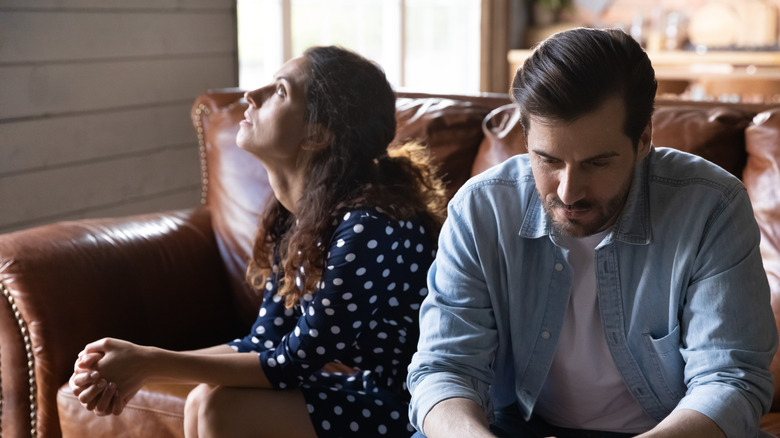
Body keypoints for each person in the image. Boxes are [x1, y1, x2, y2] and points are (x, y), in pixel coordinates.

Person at [408, 27, 777, 438]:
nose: (568, 191)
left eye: (597, 163)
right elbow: (444, 368)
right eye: (547, 160)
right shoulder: (480, 209)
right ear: (526, 138)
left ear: (643, 141)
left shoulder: (711, 205)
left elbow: (730, 381)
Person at [69, 45, 447, 437]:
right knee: (206, 398)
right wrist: (136, 369)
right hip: (376, 391)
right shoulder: (301, 216)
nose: (252, 95)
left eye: (280, 91)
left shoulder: (370, 227)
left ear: (317, 134)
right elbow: (263, 341)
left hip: (423, 408)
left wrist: (148, 363)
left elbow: (291, 363)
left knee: (221, 407)